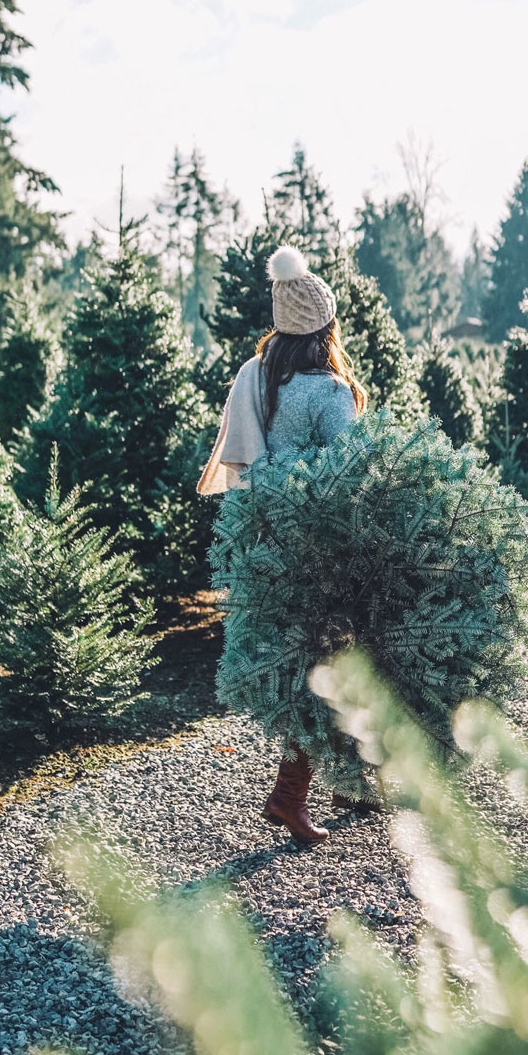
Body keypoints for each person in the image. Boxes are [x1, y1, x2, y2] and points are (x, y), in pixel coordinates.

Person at [198, 244, 367, 843]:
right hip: (321, 540)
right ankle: (290, 794)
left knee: (323, 659)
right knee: (338, 660)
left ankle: (352, 781)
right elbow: (354, 466)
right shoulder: (329, 391)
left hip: (269, 538)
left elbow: (246, 458)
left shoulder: (256, 374)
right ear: (326, 328)